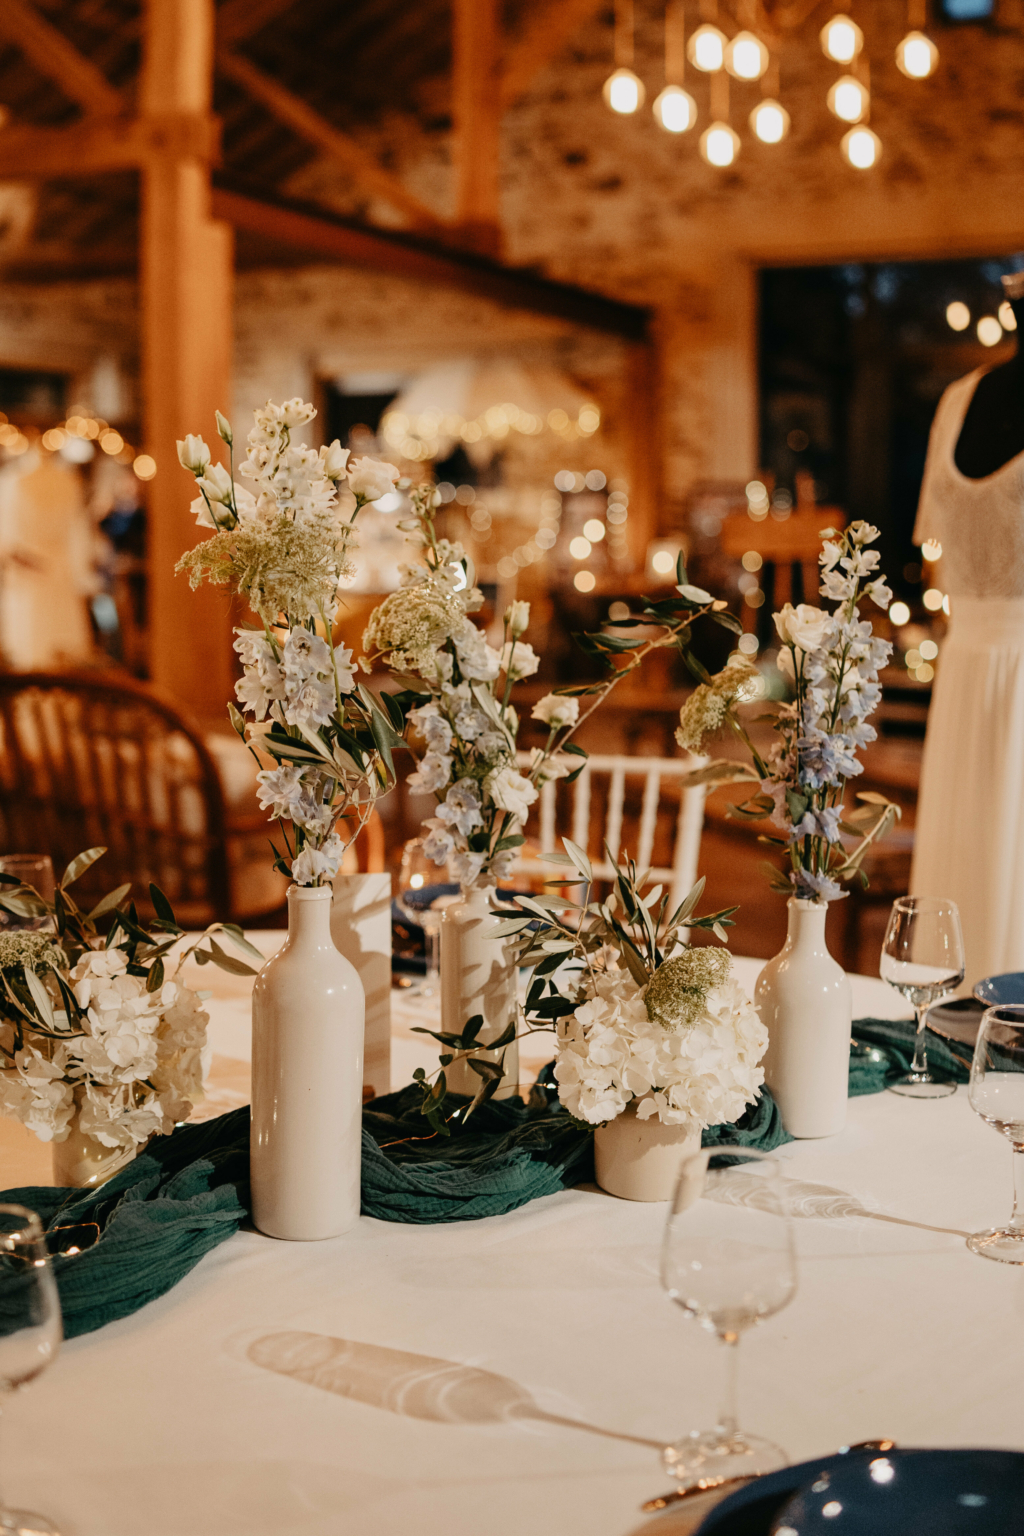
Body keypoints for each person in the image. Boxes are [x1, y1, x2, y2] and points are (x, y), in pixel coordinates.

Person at [910, 271, 1024, 985]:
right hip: (965, 667)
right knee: (968, 854)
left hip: (999, 667)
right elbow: (937, 549)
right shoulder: (956, 401)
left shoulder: (961, 400)